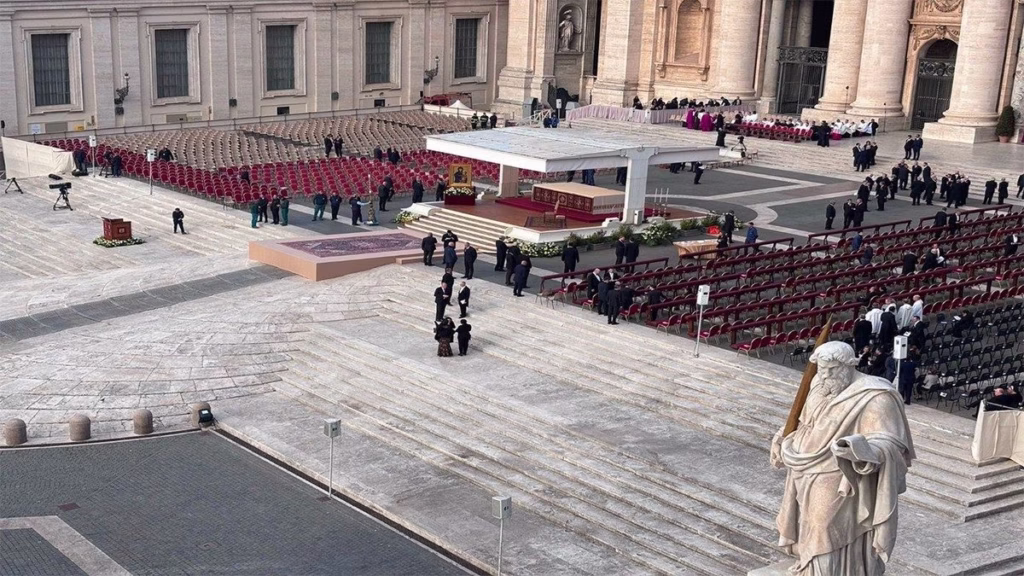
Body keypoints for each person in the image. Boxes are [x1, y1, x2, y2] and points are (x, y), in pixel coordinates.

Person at [770, 342, 914, 576]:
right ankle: (809, 568)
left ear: (849, 366)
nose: (825, 376)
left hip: (842, 474)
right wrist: (782, 436)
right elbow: (806, 421)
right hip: (804, 466)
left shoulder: (875, 396)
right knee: (807, 525)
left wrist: (859, 450)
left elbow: (891, 445)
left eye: (832, 369)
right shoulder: (819, 383)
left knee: (822, 526)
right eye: (822, 369)